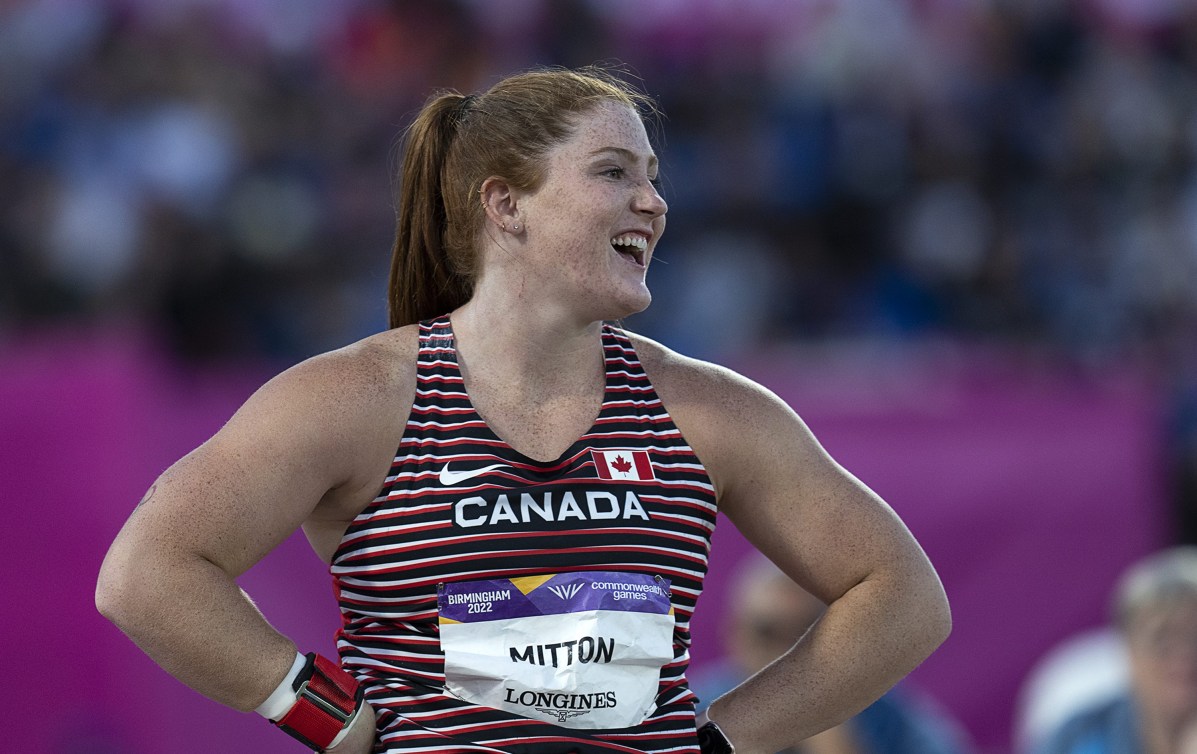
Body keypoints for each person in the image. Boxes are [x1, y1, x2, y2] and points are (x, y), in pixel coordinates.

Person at [96, 65, 951, 754]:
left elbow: (904, 597)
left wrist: (717, 740)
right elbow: (149, 573)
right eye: (614, 172)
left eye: (653, 177)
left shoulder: (705, 410)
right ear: (505, 205)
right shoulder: (360, 399)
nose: (653, 203)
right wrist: (329, 717)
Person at [692, 553, 972, 754]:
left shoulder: (878, 706)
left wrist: (822, 714)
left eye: (807, 630)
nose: (787, 651)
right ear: (735, 634)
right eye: (769, 632)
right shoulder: (696, 707)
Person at [1030, 546, 1197, 754]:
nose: (1184, 655)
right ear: (1129, 651)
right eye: (1162, 639)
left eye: (1194, 637)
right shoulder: (1081, 735)